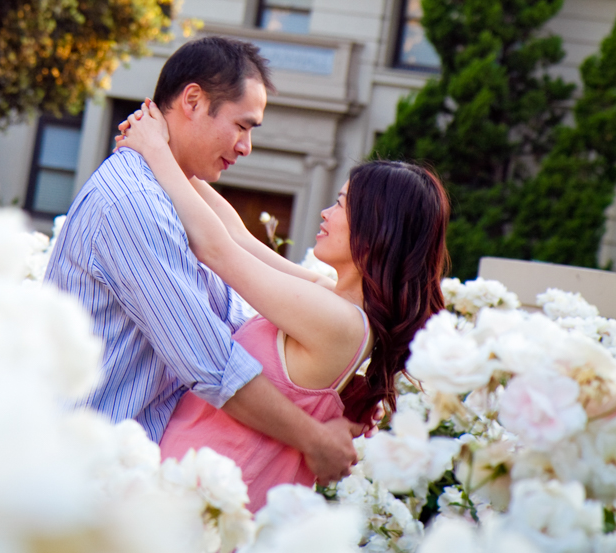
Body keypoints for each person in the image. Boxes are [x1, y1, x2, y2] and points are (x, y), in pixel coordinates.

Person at [44, 36, 369, 485]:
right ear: (193, 100)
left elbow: (234, 252)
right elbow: (212, 363)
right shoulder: (133, 204)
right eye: (242, 125)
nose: (246, 146)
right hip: (78, 476)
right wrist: (314, 439)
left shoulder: (169, 191)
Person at [116, 99, 450, 510]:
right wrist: (174, 154)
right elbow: (237, 238)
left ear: (376, 226)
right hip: (187, 490)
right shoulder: (329, 297)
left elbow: (217, 250)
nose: (326, 214)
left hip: (203, 512)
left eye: (342, 204)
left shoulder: (339, 322)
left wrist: (154, 151)